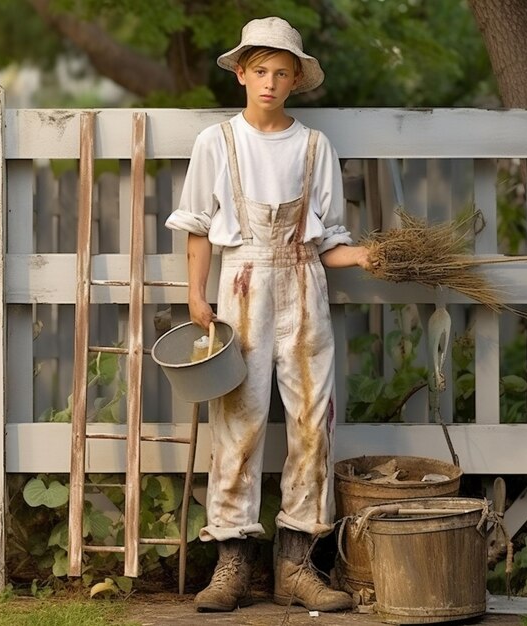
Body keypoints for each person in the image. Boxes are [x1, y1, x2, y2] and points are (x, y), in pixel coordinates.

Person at [165, 16, 373, 613]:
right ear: (240, 73)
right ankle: (232, 561)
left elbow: (329, 243)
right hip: (240, 283)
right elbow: (200, 229)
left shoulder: (313, 147)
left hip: (304, 284)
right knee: (239, 416)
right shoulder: (217, 143)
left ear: (296, 81)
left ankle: (296, 563)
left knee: (313, 418)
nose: (270, 82)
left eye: (282, 73)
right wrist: (196, 294)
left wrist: (371, 255)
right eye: (260, 70)